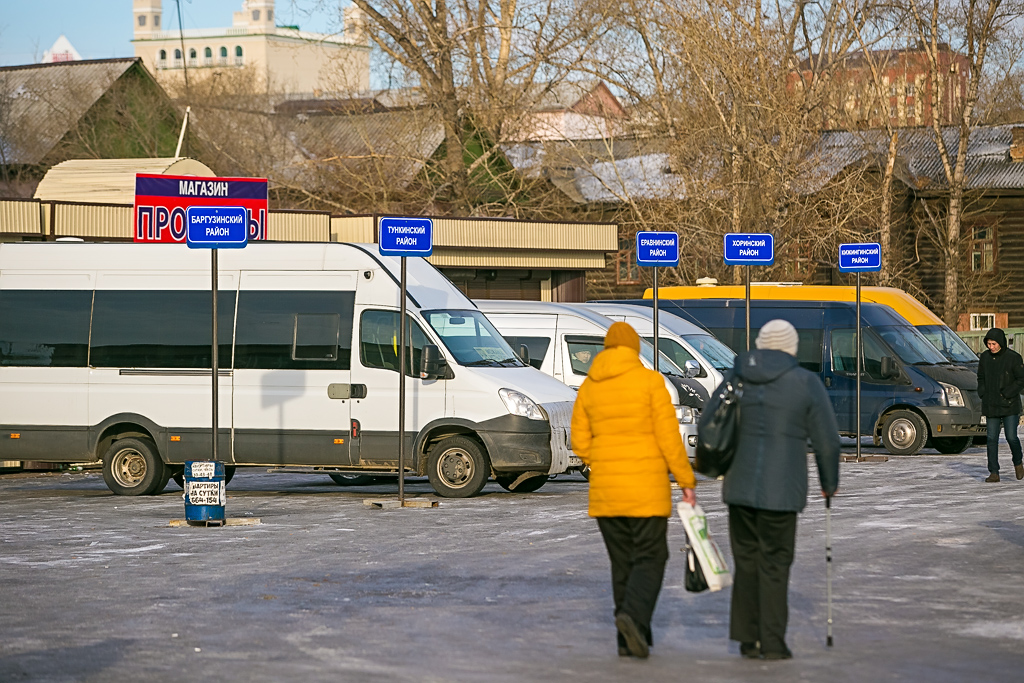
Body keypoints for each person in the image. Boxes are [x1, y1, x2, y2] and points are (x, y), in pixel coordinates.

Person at [702, 319, 839, 660]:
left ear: (761, 345)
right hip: (783, 492)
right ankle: (774, 642)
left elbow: (712, 417)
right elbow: (827, 441)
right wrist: (828, 482)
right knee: (775, 564)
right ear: (792, 348)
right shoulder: (806, 382)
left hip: (740, 488)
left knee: (747, 562)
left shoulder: (738, 375)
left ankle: (749, 640)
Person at [571, 322, 696, 659]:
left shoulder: (589, 388)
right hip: (646, 492)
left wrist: (603, 459)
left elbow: (578, 441)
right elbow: (670, 440)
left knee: (622, 563)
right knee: (652, 557)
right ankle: (633, 617)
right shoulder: (651, 383)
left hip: (606, 494)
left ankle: (628, 641)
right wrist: (686, 481)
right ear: (635, 349)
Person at [976, 327, 1024, 482]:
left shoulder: (1013, 358)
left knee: (1011, 437)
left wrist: (1008, 392)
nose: (991, 347)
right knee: (991, 439)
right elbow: (981, 377)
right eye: (989, 344)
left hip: (1009, 404)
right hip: (991, 404)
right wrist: (982, 391)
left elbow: (1021, 379)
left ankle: (1018, 462)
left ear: (1001, 343)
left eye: (994, 343)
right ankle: (994, 472)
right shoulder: (985, 357)